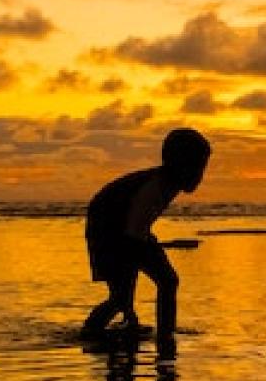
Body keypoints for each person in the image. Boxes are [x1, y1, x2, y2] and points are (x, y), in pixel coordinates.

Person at [82, 127, 212, 353]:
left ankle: (155, 332)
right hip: (108, 231)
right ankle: (94, 333)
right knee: (128, 295)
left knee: (156, 285)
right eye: (197, 168)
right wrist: (129, 275)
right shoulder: (155, 186)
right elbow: (132, 235)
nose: (200, 175)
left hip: (129, 231)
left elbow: (137, 229)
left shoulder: (167, 183)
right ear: (177, 165)